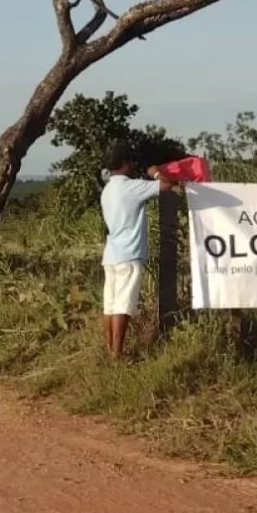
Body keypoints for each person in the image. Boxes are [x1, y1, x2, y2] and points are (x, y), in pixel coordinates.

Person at [100, 141, 174, 360]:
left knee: (110, 305)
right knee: (123, 305)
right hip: (129, 254)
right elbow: (167, 186)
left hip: (111, 254)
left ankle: (110, 351)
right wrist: (155, 173)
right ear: (125, 163)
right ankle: (117, 354)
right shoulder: (130, 187)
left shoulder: (108, 189)